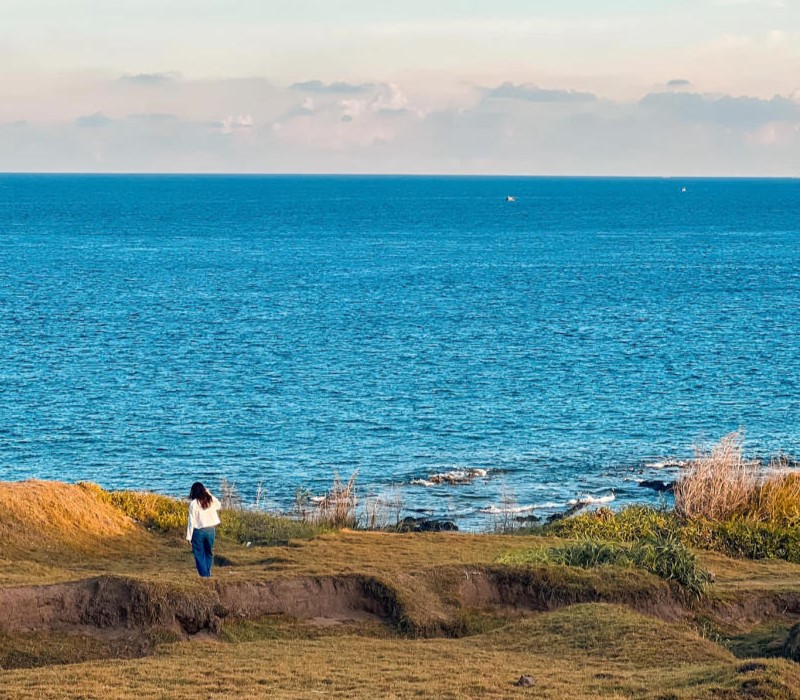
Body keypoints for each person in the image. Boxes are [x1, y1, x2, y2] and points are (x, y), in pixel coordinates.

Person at [186, 481, 222, 578]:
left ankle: (204, 576)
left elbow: (191, 521)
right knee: (208, 552)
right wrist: (209, 494)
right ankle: (207, 574)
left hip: (199, 531)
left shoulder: (193, 503)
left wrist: (189, 536)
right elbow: (219, 505)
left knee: (199, 554)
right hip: (211, 530)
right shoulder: (209, 500)